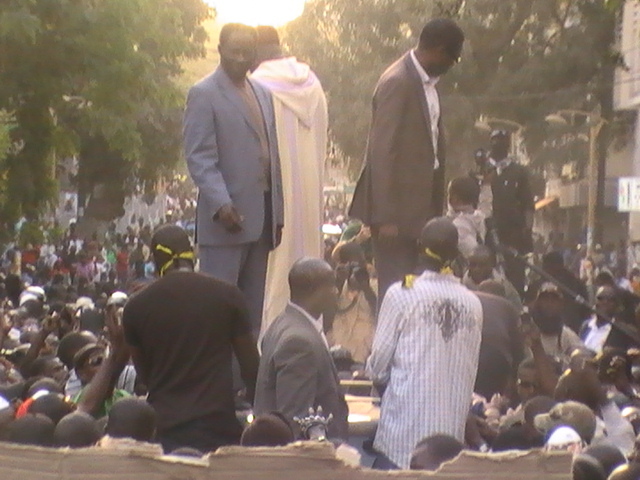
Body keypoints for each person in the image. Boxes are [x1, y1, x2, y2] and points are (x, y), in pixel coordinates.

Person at [349, 19, 465, 299]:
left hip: (420, 214)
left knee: (417, 292)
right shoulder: (397, 82)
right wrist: (385, 217)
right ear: (438, 50)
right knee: (396, 293)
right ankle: (390, 344)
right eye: (453, 57)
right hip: (395, 219)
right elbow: (382, 152)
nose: (453, 65)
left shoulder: (428, 85)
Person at [183, 23, 284, 337]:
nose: (241, 58)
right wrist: (222, 204)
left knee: (250, 316)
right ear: (220, 51)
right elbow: (199, 156)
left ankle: (247, 384)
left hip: (262, 220)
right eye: (234, 51)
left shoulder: (264, 94)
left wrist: (277, 212)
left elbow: (271, 156)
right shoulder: (203, 94)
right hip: (226, 222)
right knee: (219, 313)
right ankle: (218, 384)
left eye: (247, 52)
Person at [122, 225, 260, 453]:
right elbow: (251, 367)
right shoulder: (228, 295)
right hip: (218, 426)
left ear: (154, 261)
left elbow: (145, 375)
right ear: (192, 253)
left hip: (165, 429)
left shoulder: (136, 306)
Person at [368, 217, 483, 469]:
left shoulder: (402, 293)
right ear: (455, 254)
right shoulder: (473, 303)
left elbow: (377, 366)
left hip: (402, 441)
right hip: (449, 448)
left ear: (420, 247)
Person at [252, 26, 328, 332]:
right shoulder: (314, 85)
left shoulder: (256, 87)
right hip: (309, 204)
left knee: (271, 275)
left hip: (272, 206)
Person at [254, 258, 348, 441]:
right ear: (316, 290)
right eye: (332, 286)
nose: (337, 292)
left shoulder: (281, 323)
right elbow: (294, 423)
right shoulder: (299, 343)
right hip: (305, 462)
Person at [489, 130, 535, 295]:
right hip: (487, 234)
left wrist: (527, 231)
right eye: (494, 140)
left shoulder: (518, 172)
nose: (497, 144)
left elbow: (528, 205)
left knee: (514, 279)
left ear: (508, 145)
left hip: (513, 236)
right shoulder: (484, 169)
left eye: (502, 140)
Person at [473, 280, 524, 399]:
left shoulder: (470, 299)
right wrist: (513, 378)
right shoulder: (509, 307)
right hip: (497, 358)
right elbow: (518, 349)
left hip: (471, 354)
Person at [530, 282, 585, 362]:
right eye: (545, 300)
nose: (549, 304)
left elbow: (582, 360)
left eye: (553, 300)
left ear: (560, 304)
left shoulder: (568, 336)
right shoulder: (529, 333)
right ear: (538, 303)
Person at [463, 245, 522, 312]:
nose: (476, 269)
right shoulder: (462, 283)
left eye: (482, 265)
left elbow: (516, 312)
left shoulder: (505, 287)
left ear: (492, 266)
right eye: (473, 264)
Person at [581, 286, 634, 354]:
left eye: (610, 299)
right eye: (600, 298)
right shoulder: (586, 326)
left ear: (616, 306)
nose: (605, 302)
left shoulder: (621, 332)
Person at [446, 176, 485, 261]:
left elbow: (473, 254)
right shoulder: (479, 216)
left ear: (455, 199)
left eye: (449, 194)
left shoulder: (459, 226)